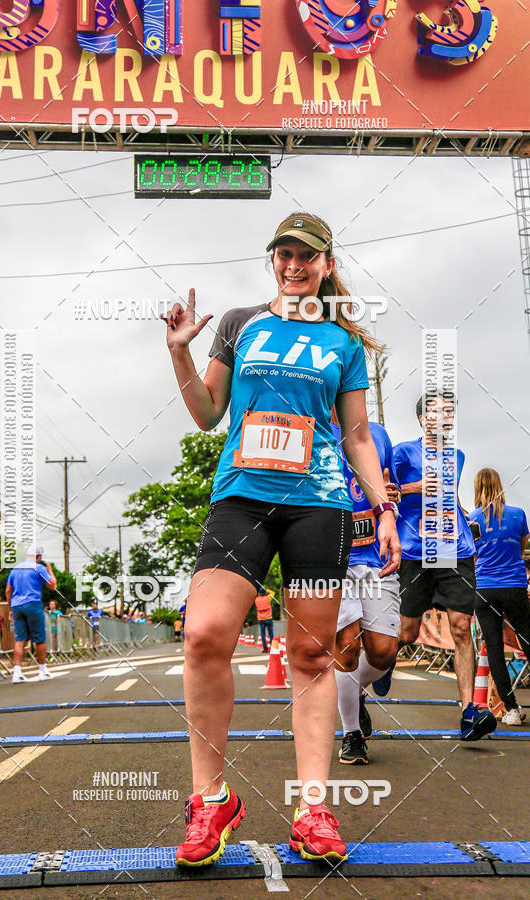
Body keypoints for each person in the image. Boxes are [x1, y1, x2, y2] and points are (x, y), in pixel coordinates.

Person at [161, 212, 400, 867]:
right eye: (283, 254)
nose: (293, 265)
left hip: (318, 508)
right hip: (241, 498)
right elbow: (209, 415)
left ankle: (313, 808)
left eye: (307, 256)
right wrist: (180, 350)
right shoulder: (240, 325)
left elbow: (355, 436)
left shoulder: (342, 344)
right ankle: (211, 802)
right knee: (205, 633)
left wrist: (382, 508)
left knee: (313, 656)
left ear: (326, 264)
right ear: (273, 260)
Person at [391, 393, 497, 741]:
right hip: (415, 552)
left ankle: (468, 711)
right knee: (406, 632)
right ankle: (368, 680)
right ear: (423, 420)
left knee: (461, 628)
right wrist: (414, 488)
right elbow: (387, 491)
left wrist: (467, 518)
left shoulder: (458, 456)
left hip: (455, 551)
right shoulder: (403, 452)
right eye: (437, 412)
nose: (445, 418)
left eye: (450, 412)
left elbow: (449, 494)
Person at [332, 415, 401, 765]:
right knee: (346, 647)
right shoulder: (309, 428)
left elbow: (391, 485)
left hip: (374, 554)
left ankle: (355, 689)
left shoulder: (376, 434)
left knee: (383, 653)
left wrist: (392, 496)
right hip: (332, 554)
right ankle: (351, 735)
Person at [469, 468, 530, 726]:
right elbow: (521, 545)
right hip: (515, 586)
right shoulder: (518, 515)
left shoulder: (472, 520)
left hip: (485, 589)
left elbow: (471, 556)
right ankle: (512, 707)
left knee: (494, 649)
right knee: (527, 640)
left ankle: (512, 709)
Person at [5, 545, 57, 683]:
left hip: (17, 605)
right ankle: (43, 670)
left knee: (20, 639)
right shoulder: (38, 568)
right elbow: (52, 585)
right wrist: (50, 570)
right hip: (33, 604)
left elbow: (8, 591)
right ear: (38, 557)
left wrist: (10, 608)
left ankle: (17, 673)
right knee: (39, 638)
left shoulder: (15, 569)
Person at [255, 586, 274, 653]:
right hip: (268, 618)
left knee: (263, 634)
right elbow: (273, 592)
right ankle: (273, 647)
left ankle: (265, 648)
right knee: (271, 633)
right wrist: (267, 589)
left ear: (260, 593)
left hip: (261, 619)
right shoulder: (268, 598)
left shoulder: (256, 599)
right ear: (265, 592)